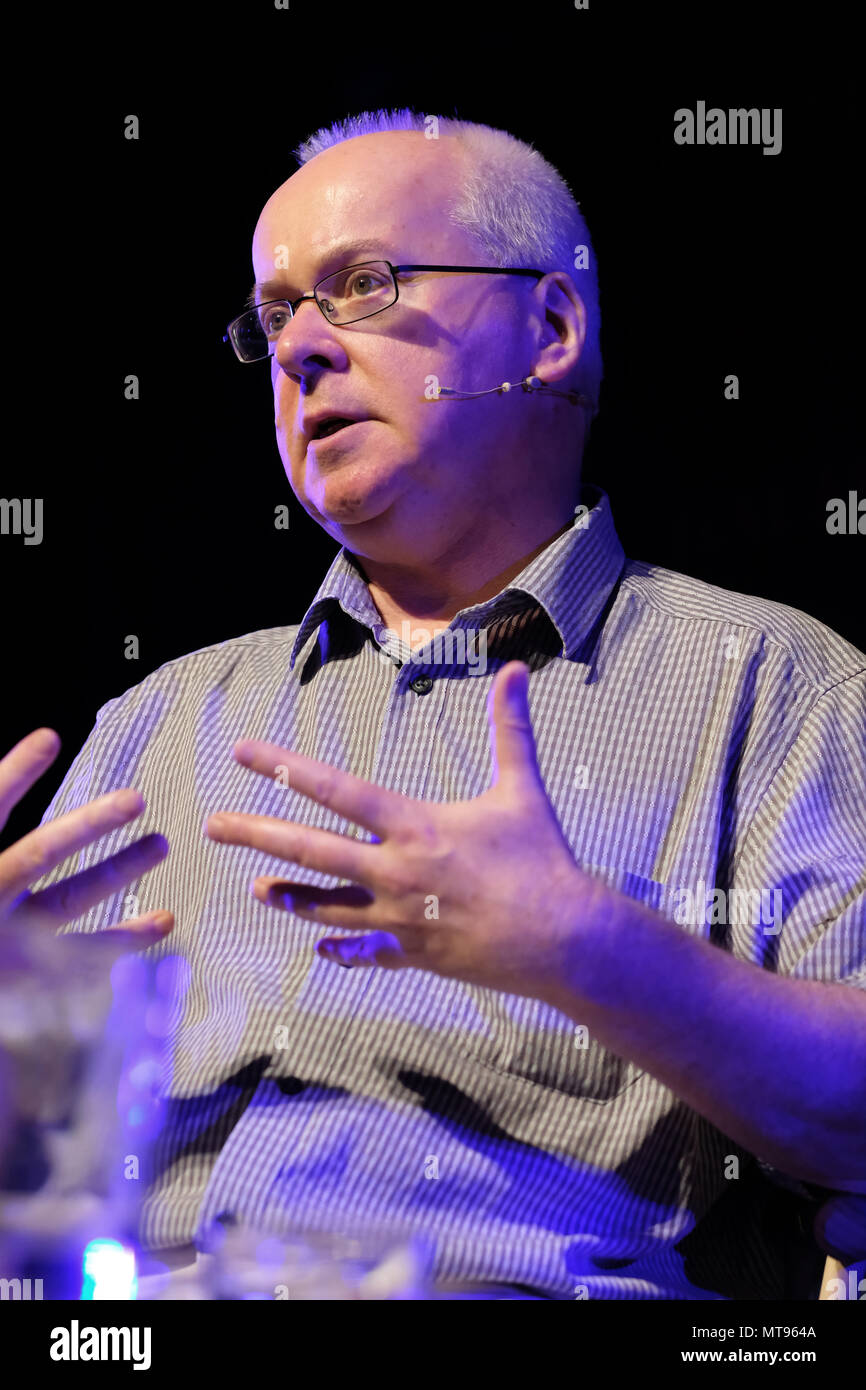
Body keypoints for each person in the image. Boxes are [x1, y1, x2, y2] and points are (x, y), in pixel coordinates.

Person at [15, 109, 866, 1299]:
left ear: (551, 329)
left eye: (360, 285)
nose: (301, 346)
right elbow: (37, 1198)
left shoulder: (770, 687)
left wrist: (587, 950)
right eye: (273, 316)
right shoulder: (157, 720)